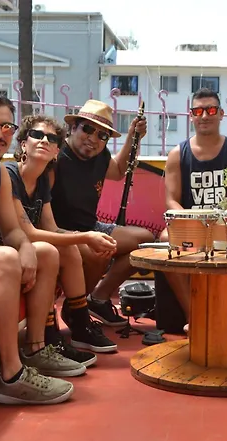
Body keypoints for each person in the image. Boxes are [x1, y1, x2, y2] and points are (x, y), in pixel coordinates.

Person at [4, 114, 118, 361]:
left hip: (23, 245)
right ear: (23, 143)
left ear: (57, 150)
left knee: (68, 249)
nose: (44, 140)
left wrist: (87, 237)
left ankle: (79, 325)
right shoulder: (9, 175)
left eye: (52, 138)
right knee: (51, 251)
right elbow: (28, 232)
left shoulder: (42, 181)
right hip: (5, 246)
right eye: (37, 135)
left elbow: (52, 228)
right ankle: (48, 336)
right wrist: (85, 237)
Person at [0, 95, 74, 404]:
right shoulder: (11, 171)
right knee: (6, 257)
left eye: (6, 126)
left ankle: (36, 348)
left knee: (47, 252)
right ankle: (10, 376)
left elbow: (13, 229)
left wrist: (26, 246)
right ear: (25, 143)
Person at [50, 99, 154, 327]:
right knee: (99, 252)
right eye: (87, 129)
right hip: (61, 232)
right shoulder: (56, 158)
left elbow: (118, 171)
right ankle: (75, 309)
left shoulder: (99, 155)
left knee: (145, 243)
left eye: (102, 135)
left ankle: (97, 298)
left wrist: (133, 137)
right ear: (73, 127)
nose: (93, 138)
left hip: (91, 226)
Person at [162, 88, 227, 329]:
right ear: (191, 115)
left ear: (221, 114)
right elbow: (171, 201)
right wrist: (194, 223)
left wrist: (222, 224)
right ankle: (194, 316)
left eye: (210, 110)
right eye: (198, 111)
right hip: (191, 225)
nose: (204, 116)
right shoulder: (177, 154)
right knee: (165, 238)